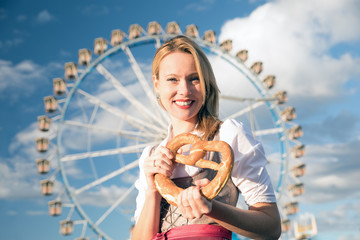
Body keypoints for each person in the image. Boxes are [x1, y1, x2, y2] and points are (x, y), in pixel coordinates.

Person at [131, 35, 281, 240]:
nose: (184, 90)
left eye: (194, 79)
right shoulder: (150, 156)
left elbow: (271, 228)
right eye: (172, 79)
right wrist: (152, 190)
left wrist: (211, 208)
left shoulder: (229, 134)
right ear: (156, 84)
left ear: (206, 83)